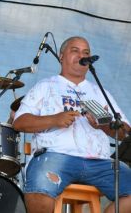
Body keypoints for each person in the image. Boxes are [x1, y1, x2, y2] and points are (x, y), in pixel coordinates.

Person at [13, 36, 131, 213]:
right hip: (55, 157)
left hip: (100, 162)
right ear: (61, 57)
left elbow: (125, 134)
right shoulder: (45, 86)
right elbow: (19, 122)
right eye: (75, 50)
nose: (81, 55)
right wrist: (54, 119)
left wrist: (104, 125)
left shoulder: (100, 91)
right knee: (38, 193)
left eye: (86, 52)